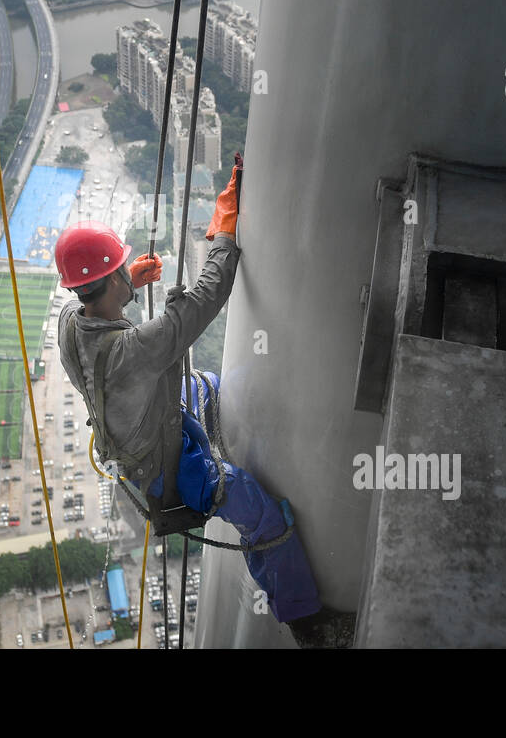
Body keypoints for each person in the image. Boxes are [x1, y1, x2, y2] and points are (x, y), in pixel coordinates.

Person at [54, 157, 352, 647]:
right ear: (108, 284)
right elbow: (208, 296)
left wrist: (127, 278)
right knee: (263, 516)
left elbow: (100, 310)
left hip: (136, 430)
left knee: (208, 384)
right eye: (119, 273)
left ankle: (216, 435)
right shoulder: (135, 350)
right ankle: (306, 620)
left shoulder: (68, 323)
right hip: (164, 469)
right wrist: (224, 231)